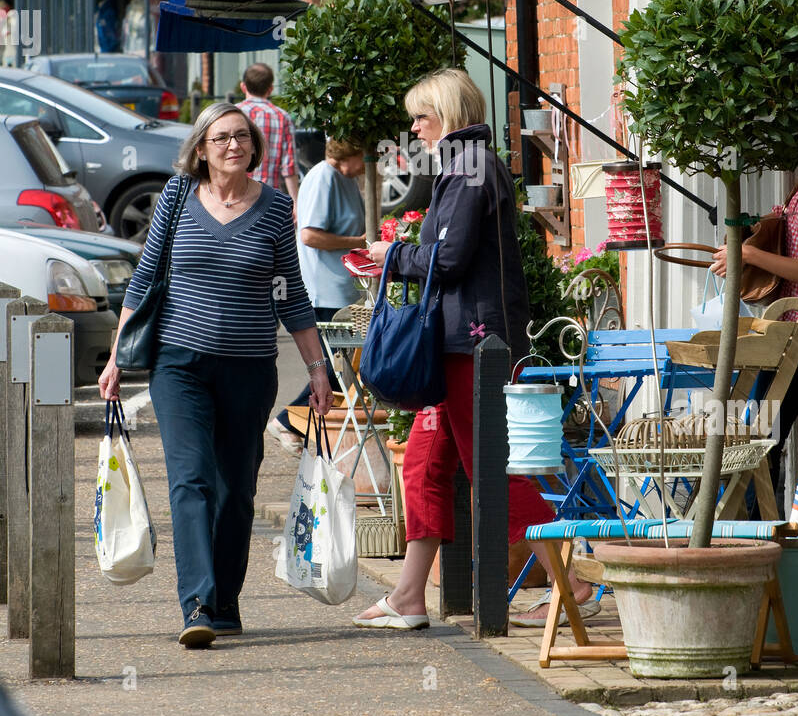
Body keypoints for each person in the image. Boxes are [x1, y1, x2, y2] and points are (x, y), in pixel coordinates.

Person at [352, 68, 597, 631]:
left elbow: (449, 258)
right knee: (423, 466)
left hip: (473, 345)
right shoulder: (463, 165)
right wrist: (402, 254)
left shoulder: (468, 166)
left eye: (421, 117)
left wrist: (391, 257)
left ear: (447, 114)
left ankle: (573, 586)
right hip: (458, 344)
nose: (414, 129)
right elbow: (449, 252)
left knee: (491, 470)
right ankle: (408, 596)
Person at [98, 102, 332, 648]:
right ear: (201, 148)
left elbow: (291, 295)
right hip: (178, 364)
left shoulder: (275, 208)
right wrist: (115, 357)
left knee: (236, 489)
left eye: (243, 137)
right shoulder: (177, 197)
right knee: (191, 479)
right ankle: (198, 602)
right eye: (222, 137)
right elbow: (143, 280)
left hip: (249, 368)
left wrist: (317, 368)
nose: (235, 145)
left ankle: (225, 599)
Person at [711, 165, 798, 500]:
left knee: (766, 431)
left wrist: (751, 253)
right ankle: (757, 521)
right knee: (759, 432)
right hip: (788, 325)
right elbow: (781, 225)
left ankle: (757, 521)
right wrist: (748, 229)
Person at [266, 138, 366, 453]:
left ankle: (298, 426)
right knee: (337, 371)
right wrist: (359, 242)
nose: (369, 164)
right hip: (324, 291)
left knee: (343, 370)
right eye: (366, 155)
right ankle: (287, 421)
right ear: (351, 152)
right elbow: (309, 235)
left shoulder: (346, 178)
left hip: (341, 288)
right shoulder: (324, 177)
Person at [238, 62, 298, 211]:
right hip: (269, 199)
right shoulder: (282, 117)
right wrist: (295, 203)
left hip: (236, 196)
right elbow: (289, 166)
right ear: (270, 89)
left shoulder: (233, 113)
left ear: (243, 87)